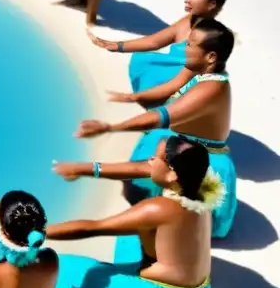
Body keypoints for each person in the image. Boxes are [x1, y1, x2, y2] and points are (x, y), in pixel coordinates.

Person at [47, 137, 221, 288]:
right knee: (129, 239)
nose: (149, 160)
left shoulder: (158, 209)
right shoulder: (201, 187)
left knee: (60, 268)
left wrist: (38, 231)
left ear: (172, 174)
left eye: (155, 158)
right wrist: (86, 168)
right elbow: (141, 169)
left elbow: (91, 228)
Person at [65, 18, 236, 240]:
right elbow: (169, 92)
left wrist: (110, 127)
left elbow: (159, 117)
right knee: (139, 175)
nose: (184, 47)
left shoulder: (210, 89)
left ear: (211, 57)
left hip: (201, 161)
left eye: (191, 44)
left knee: (143, 193)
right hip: (184, 143)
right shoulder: (203, 72)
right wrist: (130, 97)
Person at [88, 0, 230, 94]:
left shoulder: (213, 36)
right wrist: (117, 46)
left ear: (212, 4)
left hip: (188, 91)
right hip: (172, 83)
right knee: (142, 59)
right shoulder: (187, 20)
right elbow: (154, 41)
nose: (188, 0)